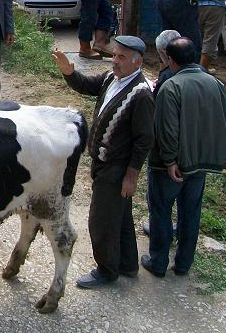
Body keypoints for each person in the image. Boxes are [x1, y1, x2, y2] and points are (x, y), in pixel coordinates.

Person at [52, 36, 154, 290]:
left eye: (121, 57)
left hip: (116, 168)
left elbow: (144, 140)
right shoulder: (112, 78)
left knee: (101, 221)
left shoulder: (141, 95)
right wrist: (69, 72)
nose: (115, 61)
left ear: (137, 61)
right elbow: (86, 85)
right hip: (104, 163)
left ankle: (107, 271)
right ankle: (128, 264)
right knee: (120, 217)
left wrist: (131, 175)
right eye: (114, 55)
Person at [143, 37, 226, 278]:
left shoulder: (171, 87)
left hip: (170, 167)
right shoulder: (216, 84)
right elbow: (224, 121)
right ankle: (183, 264)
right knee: (191, 213)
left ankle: (158, 262)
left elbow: (167, 130)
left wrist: (170, 161)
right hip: (200, 164)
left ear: (170, 60)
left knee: (160, 211)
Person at [153, 29, 181, 97]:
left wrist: (161, 82)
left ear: (164, 52)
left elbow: (153, 101)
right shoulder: (202, 69)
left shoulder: (167, 76)